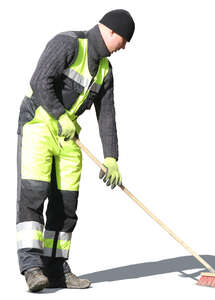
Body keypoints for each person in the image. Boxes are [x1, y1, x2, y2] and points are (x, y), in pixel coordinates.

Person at [16, 9, 135, 292]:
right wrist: (59, 114)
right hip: (38, 124)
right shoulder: (68, 43)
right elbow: (40, 80)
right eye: (125, 40)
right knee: (34, 194)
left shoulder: (105, 70)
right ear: (112, 32)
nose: (125, 46)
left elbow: (107, 114)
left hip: (69, 136)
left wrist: (111, 157)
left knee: (66, 203)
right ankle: (32, 268)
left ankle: (56, 269)